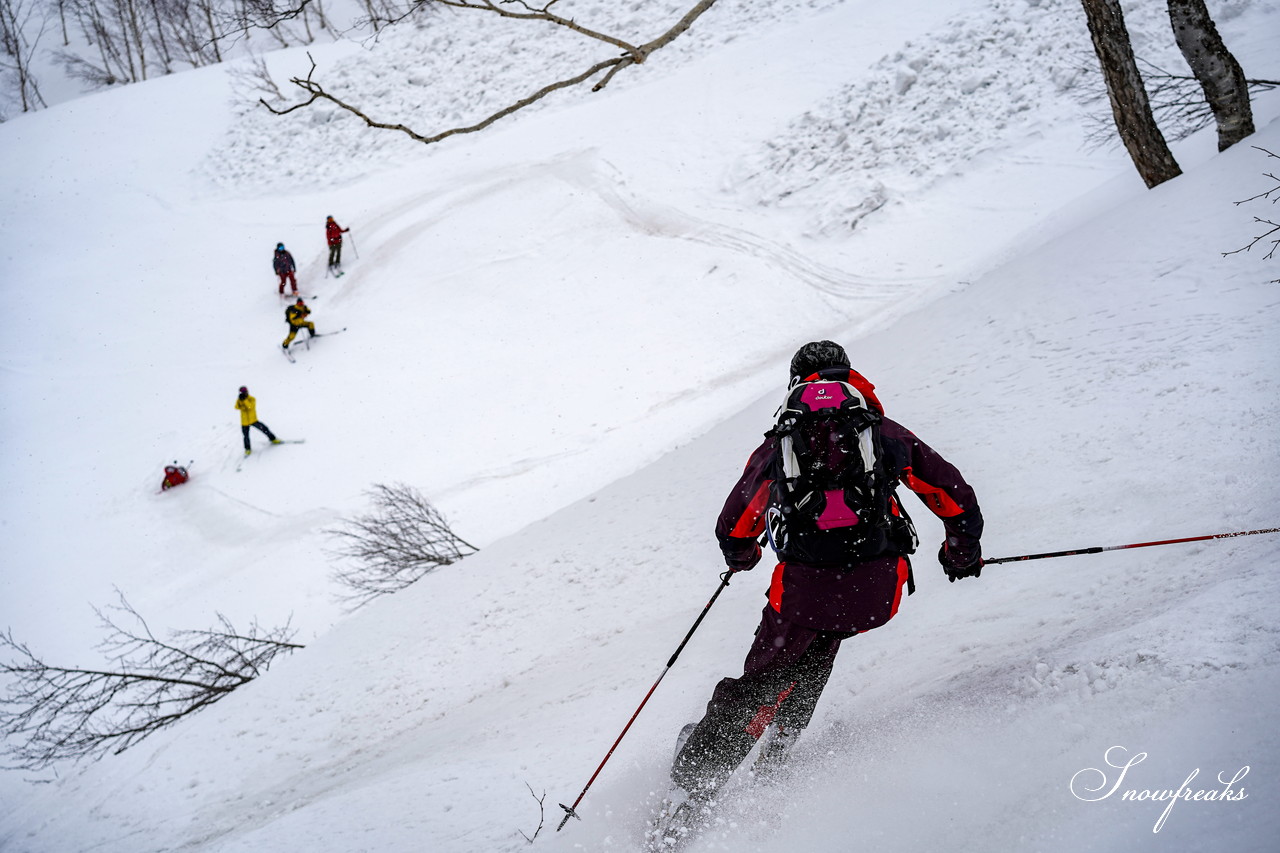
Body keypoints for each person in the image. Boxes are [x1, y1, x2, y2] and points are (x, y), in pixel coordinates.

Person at [665, 341, 985, 816]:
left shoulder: (782, 442)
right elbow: (953, 495)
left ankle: (691, 789)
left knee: (765, 676)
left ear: (796, 380)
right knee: (817, 652)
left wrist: (743, 553)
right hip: (877, 590)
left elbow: (733, 525)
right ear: (849, 376)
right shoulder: (883, 433)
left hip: (803, 593)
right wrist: (960, 553)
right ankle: (776, 759)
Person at [235, 386, 281, 456]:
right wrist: (240, 401)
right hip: (244, 422)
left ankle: (273, 439)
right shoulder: (239, 400)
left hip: (253, 420)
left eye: (245, 392)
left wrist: (244, 400)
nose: (244, 393)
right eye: (242, 392)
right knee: (246, 436)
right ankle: (247, 449)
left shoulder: (251, 399)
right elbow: (236, 407)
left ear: (247, 391)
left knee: (264, 429)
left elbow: (250, 407)